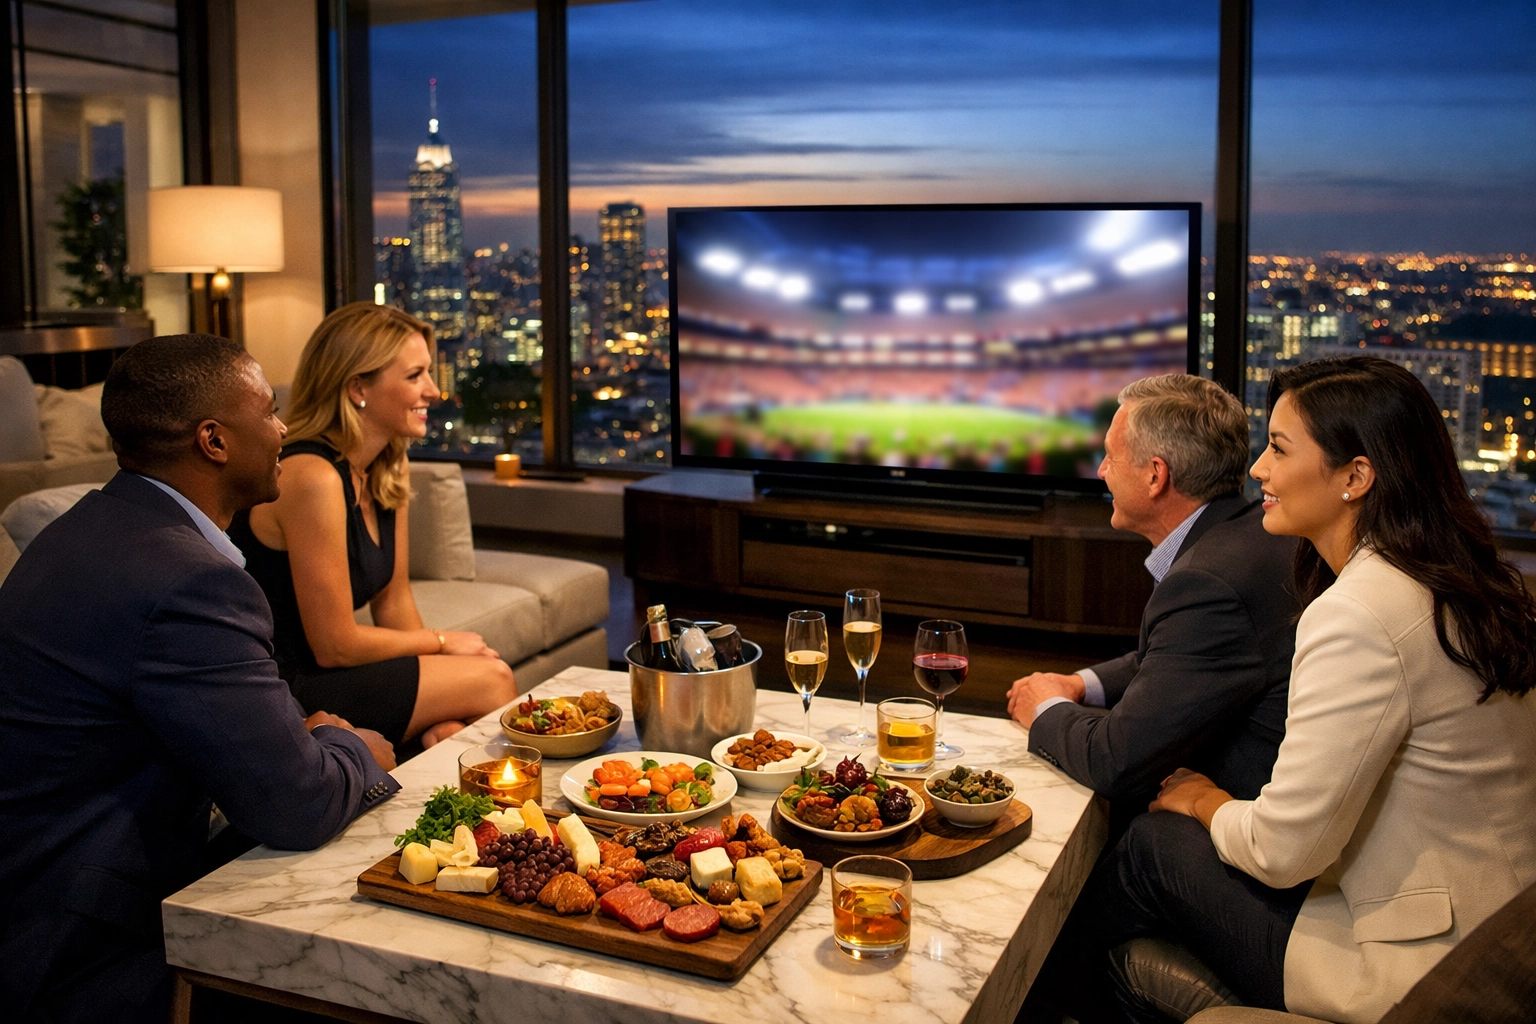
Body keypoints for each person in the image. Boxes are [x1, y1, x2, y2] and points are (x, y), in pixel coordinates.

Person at [1099, 356, 1536, 1024]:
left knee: (1148, 845)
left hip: (1420, 967)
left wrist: (1205, 801)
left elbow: (1282, 851)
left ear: (1356, 476)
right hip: (1499, 927)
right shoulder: (1463, 578)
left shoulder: (1362, 611)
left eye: (1278, 449)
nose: (1258, 472)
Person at [0, 334, 401, 1024]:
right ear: (214, 441)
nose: (283, 429)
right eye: (269, 411)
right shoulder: (191, 579)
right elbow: (296, 806)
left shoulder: (87, 529)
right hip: (83, 941)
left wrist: (305, 745)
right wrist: (360, 748)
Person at [1008, 374, 1298, 819]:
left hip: (1233, 827)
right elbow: (1176, 660)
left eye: (1109, 456)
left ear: (1155, 476)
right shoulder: (1248, 534)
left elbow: (1115, 762)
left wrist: (1044, 707)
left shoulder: (1209, 583)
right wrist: (1080, 685)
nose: (1102, 471)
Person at [229, 302, 516, 750]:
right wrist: (442, 643)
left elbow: (394, 600)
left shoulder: (387, 466)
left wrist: (437, 676)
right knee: (490, 679)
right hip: (285, 687)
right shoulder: (312, 475)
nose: (434, 392)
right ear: (357, 387)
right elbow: (335, 645)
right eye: (415, 376)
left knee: (450, 729)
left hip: (334, 671)